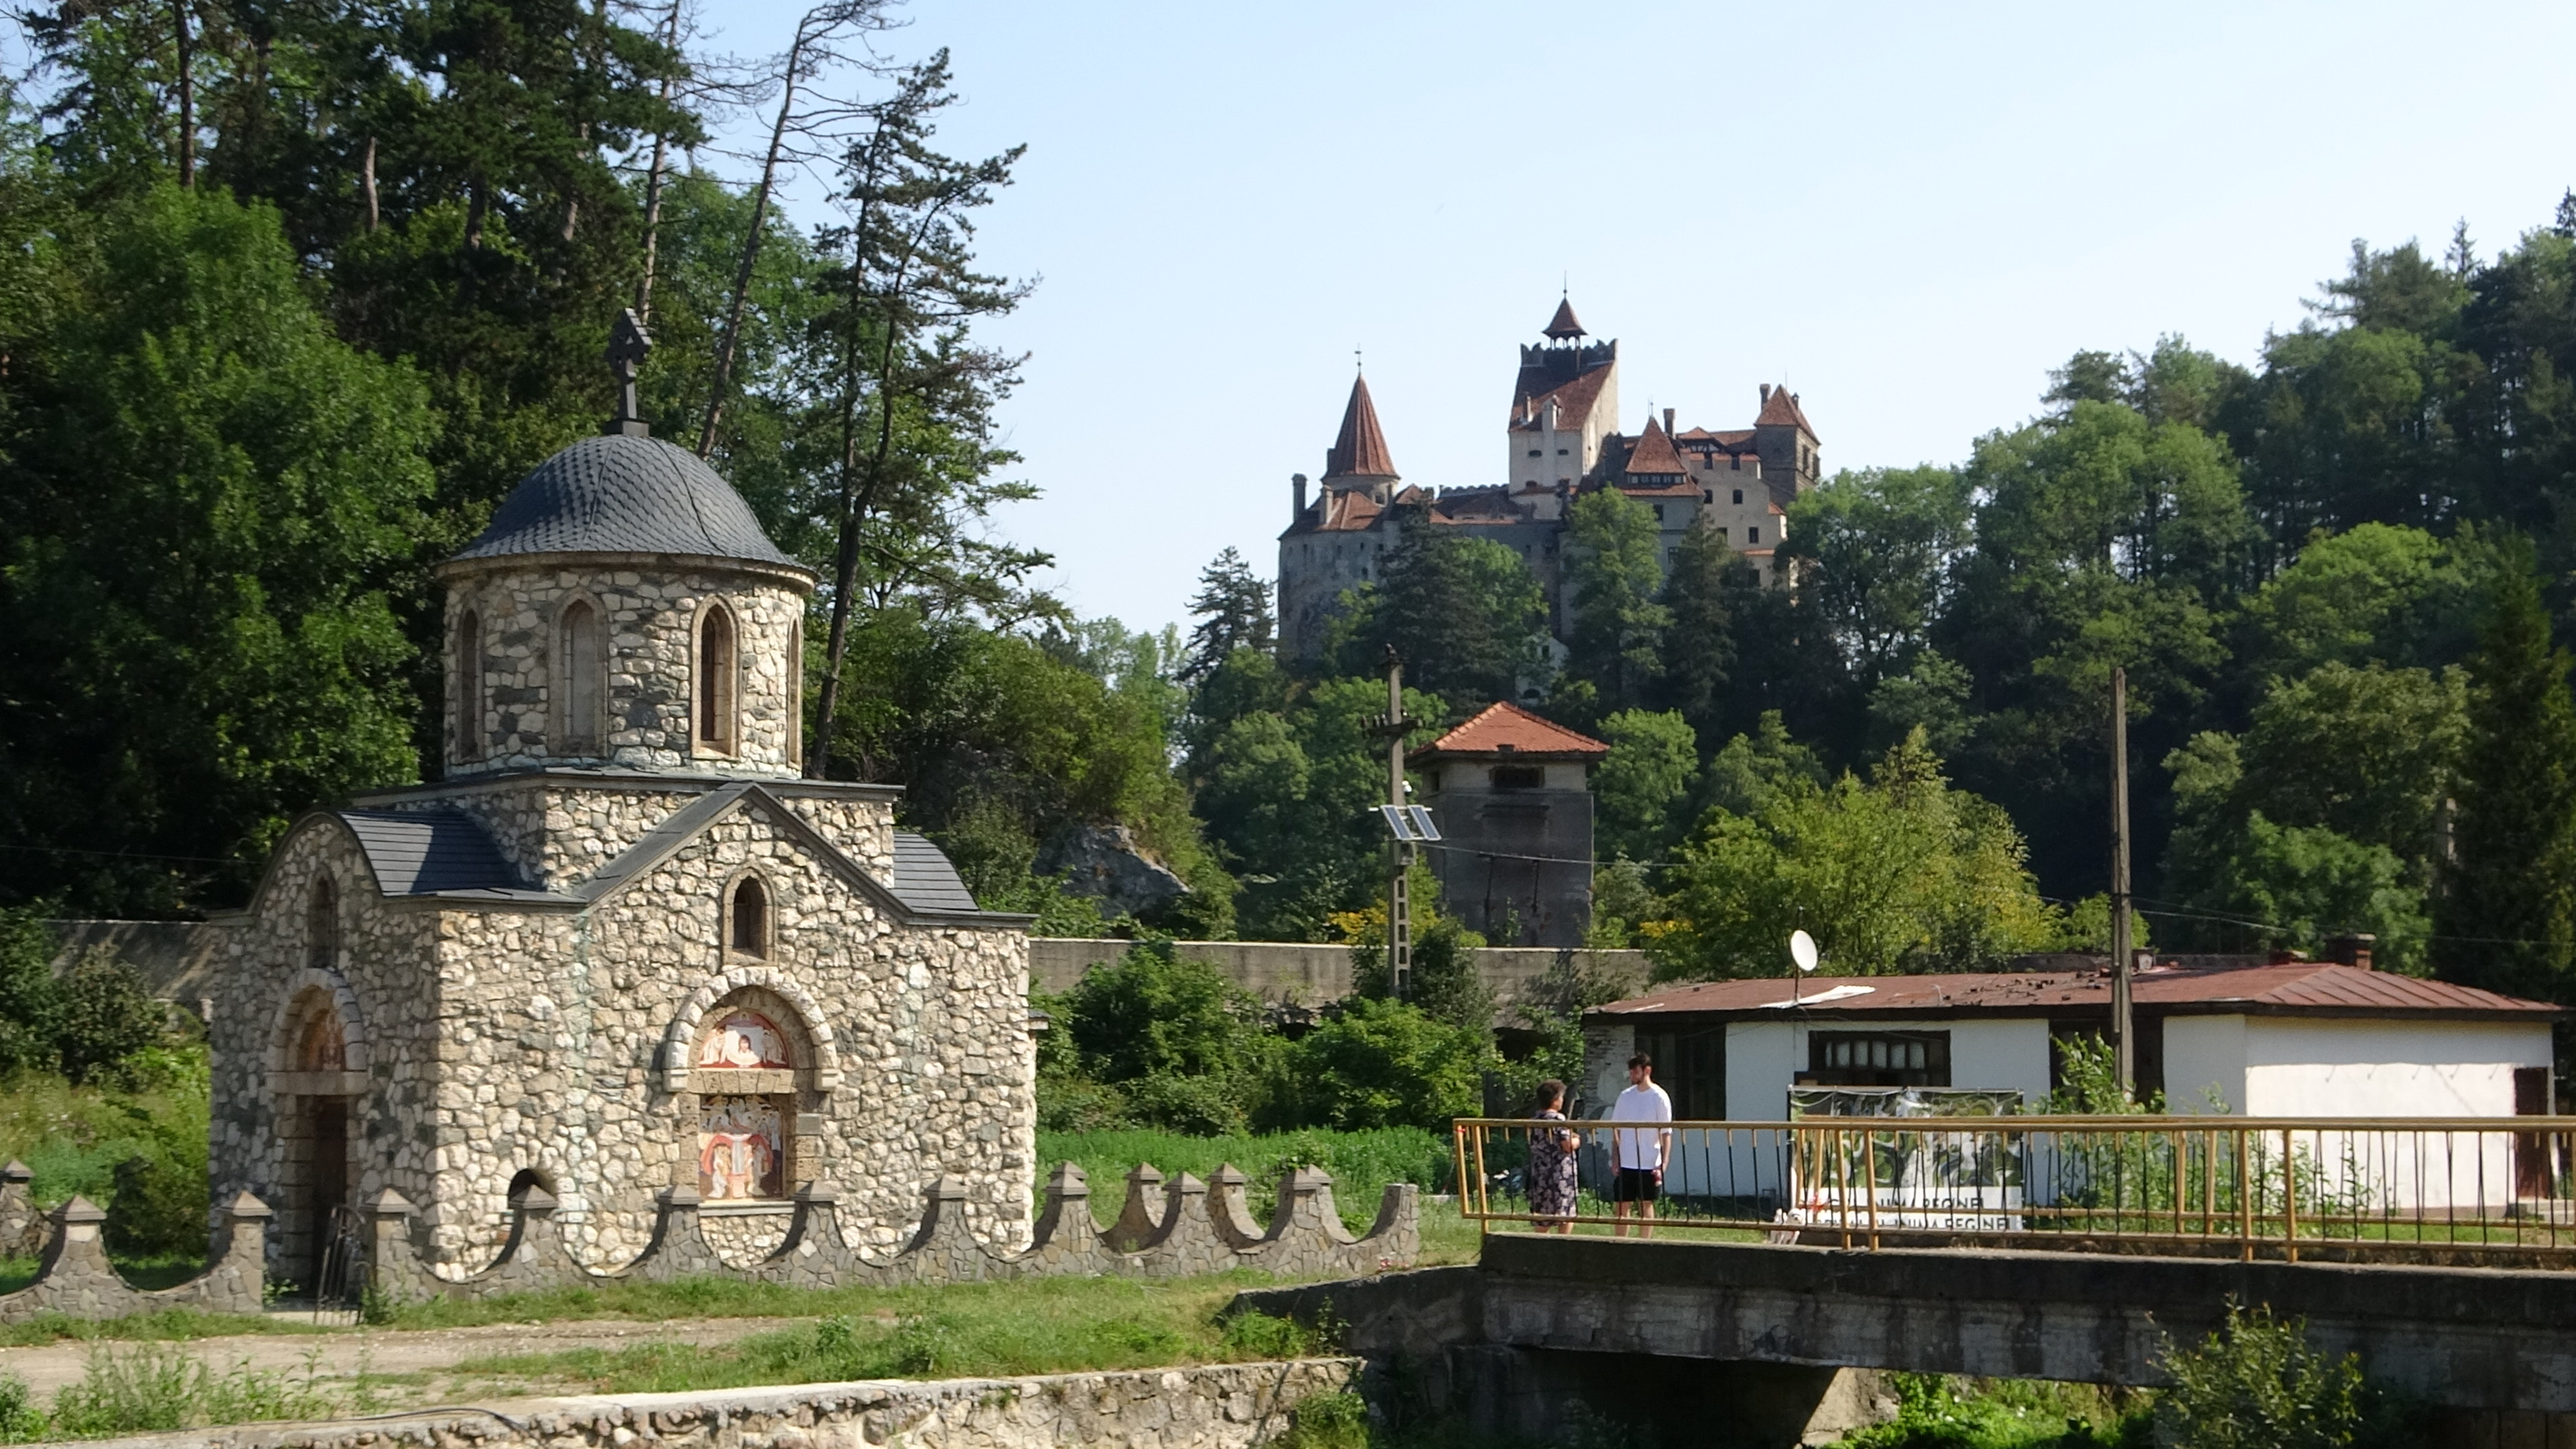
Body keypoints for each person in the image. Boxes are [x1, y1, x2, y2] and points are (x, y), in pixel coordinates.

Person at [1608, 1052, 1673, 1238]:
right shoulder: (1625, 1096)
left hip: (1649, 1161)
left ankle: (1644, 1243)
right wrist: (1615, 1157)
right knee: (1621, 1205)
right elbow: (1616, 1129)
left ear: (1647, 1071)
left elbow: (1666, 1133)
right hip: (1626, 1161)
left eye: (1635, 1071)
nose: (1632, 1075)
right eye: (1631, 1071)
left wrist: (1664, 1163)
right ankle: (1621, 1243)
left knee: (1646, 1204)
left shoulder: (1659, 1097)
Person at [1524, 1079, 1579, 1233]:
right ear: (1555, 1100)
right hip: (1559, 1174)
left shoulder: (1534, 1120)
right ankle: (1562, 1246)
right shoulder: (1557, 1119)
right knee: (1565, 1214)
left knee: (1542, 1217)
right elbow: (1567, 1145)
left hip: (1539, 1173)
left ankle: (1541, 1250)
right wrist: (1576, 1140)